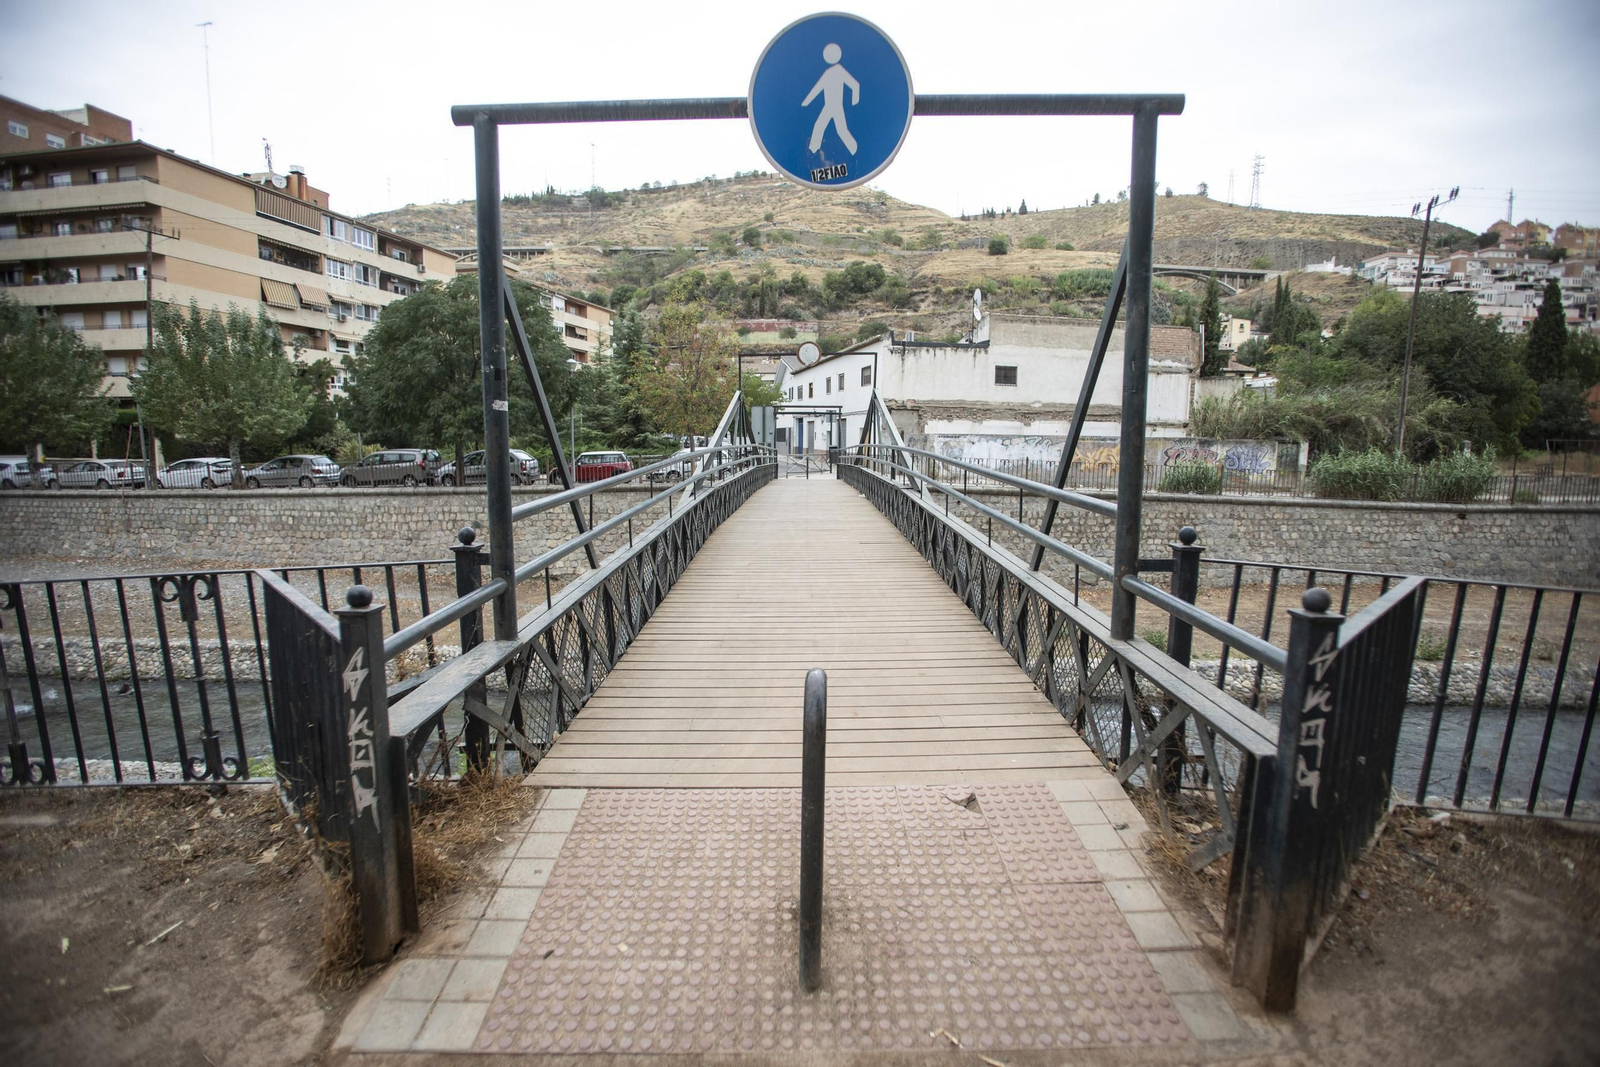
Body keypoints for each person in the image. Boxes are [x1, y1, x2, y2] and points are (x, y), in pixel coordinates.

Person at [801, 43, 860, 155]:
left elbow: (855, 85)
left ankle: (854, 149)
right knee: (821, 126)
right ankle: (813, 151)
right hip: (828, 106)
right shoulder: (828, 73)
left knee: (840, 130)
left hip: (836, 106)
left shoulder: (839, 70)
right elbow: (817, 88)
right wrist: (805, 102)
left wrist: (854, 102)